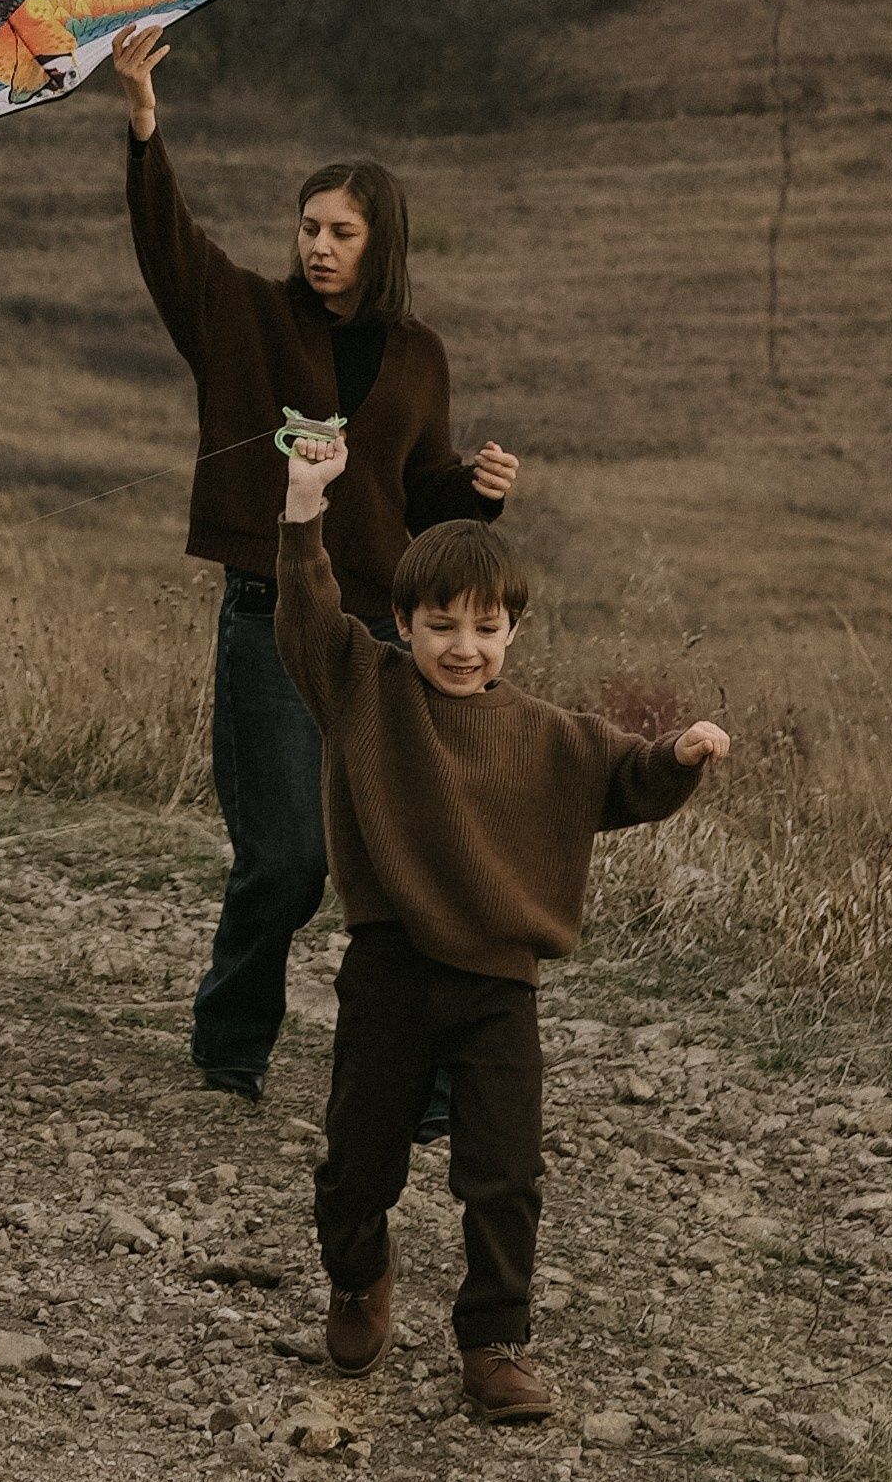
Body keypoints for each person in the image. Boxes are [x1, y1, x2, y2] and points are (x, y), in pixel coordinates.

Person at [272, 428, 730, 1419]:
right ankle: (357, 1277)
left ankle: (493, 1344)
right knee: (357, 1161)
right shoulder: (368, 692)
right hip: (389, 966)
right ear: (402, 620)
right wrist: (307, 504)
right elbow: (307, 623)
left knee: (505, 1173)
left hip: (498, 983)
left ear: (513, 632)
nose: (462, 645)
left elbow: (628, 775)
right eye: (441, 624)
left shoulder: (549, 736)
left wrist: (681, 754)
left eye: (485, 628)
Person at [112, 20, 519, 1105]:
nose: (319, 245)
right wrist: (146, 125)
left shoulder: (421, 354)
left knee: (408, 864)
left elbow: (414, 492)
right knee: (288, 861)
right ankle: (230, 1048)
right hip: (269, 623)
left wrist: (472, 490)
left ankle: (426, 1090)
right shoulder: (243, 316)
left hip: (382, 637)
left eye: (340, 230)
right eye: (308, 227)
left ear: (380, 241)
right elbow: (171, 249)